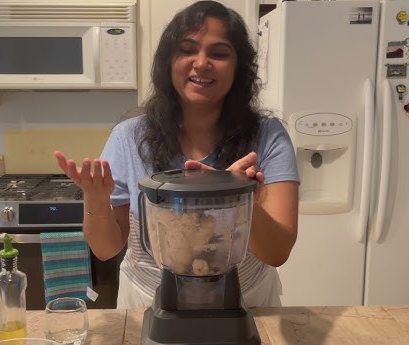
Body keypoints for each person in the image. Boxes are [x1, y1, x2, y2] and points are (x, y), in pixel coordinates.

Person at [54, 1, 299, 308]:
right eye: (187, 50)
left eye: (219, 53)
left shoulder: (268, 135)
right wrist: (95, 200)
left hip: (247, 302)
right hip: (147, 302)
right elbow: (105, 248)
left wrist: (238, 197)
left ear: (239, 68)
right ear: (168, 62)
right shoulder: (129, 137)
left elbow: (278, 252)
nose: (201, 62)